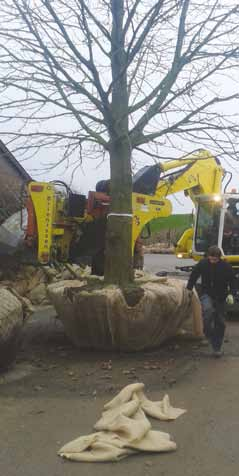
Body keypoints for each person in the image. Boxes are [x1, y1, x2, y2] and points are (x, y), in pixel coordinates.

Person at [186, 245, 235, 357]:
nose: (212, 261)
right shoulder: (203, 264)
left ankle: (216, 348)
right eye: (211, 259)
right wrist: (189, 288)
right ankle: (208, 334)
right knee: (207, 312)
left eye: (215, 260)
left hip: (221, 296)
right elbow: (194, 275)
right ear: (208, 257)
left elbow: (233, 280)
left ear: (219, 258)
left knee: (220, 322)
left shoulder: (226, 266)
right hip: (206, 293)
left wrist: (232, 293)